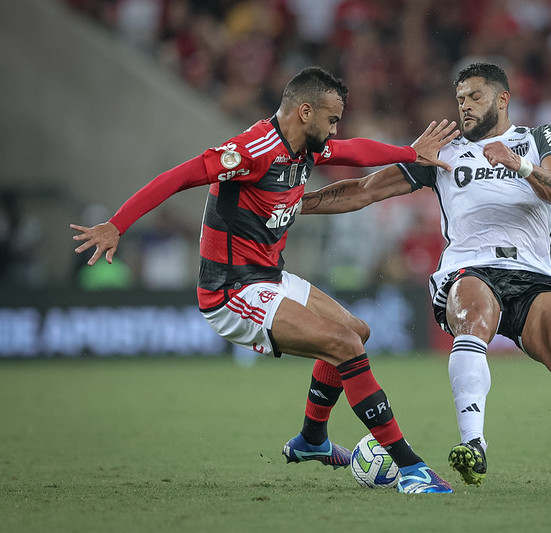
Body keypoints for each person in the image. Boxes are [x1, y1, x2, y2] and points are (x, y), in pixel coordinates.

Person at [70, 66, 460, 494]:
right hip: (230, 290)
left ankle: (312, 440)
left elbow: (355, 151)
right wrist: (117, 225)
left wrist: (408, 153)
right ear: (305, 112)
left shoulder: (308, 147)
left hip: (269, 277)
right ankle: (411, 468)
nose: (334, 130)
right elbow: (178, 177)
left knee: (355, 331)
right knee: (343, 346)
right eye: (331, 119)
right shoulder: (252, 150)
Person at [295, 62, 551, 490]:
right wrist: (296, 202)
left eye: (475, 97)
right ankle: (473, 444)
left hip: (533, 272)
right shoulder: (443, 149)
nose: (465, 106)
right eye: (460, 99)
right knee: (475, 310)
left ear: (503, 99)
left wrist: (519, 166)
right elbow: (365, 190)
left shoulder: (538, 138)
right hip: (470, 267)